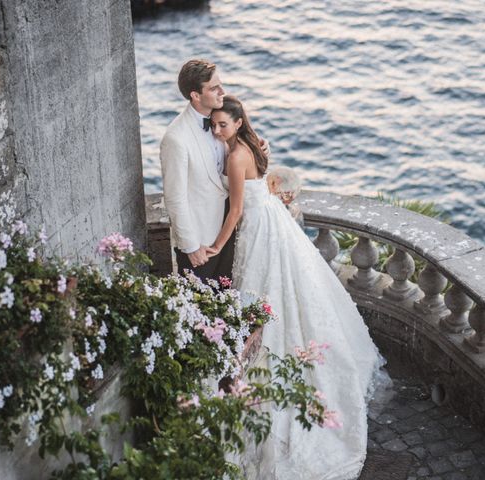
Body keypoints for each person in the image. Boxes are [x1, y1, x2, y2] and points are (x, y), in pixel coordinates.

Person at [209, 95, 387, 480]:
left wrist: (216, 246)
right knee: (283, 291)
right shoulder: (253, 147)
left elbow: (237, 210)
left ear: (238, 123)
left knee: (267, 293)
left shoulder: (236, 156)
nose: (217, 130)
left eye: (224, 124)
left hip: (258, 228)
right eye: (214, 124)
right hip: (272, 221)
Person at [160, 59, 269, 281]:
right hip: (201, 240)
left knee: (227, 296)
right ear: (195, 95)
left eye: (220, 84)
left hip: (228, 229)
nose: (222, 91)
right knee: (200, 307)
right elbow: (174, 198)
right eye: (213, 88)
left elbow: (240, 147)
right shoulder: (176, 138)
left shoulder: (220, 118)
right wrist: (190, 246)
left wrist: (262, 147)